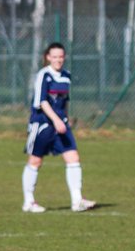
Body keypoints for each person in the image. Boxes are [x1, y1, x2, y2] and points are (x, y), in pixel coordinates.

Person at [22, 42, 95, 213]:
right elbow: (42, 101)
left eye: (61, 57)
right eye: (54, 57)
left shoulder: (66, 76)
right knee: (35, 161)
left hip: (60, 124)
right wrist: (56, 120)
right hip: (42, 124)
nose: (58, 60)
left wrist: (65, 119)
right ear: (48, 57)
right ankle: (29, 201)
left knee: (73, 158)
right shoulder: (44, 75)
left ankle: (77, 200)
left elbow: (64, 100)